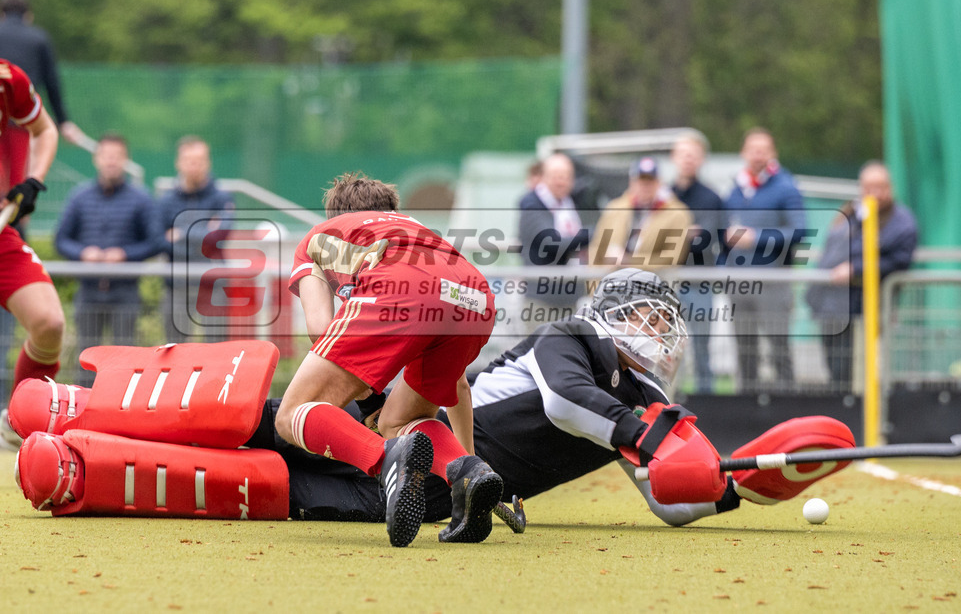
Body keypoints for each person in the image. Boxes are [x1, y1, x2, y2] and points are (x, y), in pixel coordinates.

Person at [11, 269, 856, 528]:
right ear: (611, 313)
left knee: (274, 492)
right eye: (645, 312)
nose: (658, 329)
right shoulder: (576, 345)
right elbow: (566, 406)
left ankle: (91, 473)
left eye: (664, 319)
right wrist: (648, 431)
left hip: (447, 487)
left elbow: (661, 496)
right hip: (408, 429)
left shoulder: (632, 400)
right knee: (257, 425)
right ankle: (82, 409)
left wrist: (724, 485)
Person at [273, 172, 502, 547]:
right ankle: (466, 474)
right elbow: (458, 384)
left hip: (401, 289)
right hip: (474, 296)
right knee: (401, 421)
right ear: (393, 211)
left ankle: (383, 461)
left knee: (293, 412)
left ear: (335, 213)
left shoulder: (322, 234)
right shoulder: (417, 232)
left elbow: (320, 330)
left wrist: (364, 392)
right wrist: (469, 467)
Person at [54, 134, 162, 386]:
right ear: (97, 159)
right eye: (107, 156)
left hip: (125, 292)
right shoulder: (79, 197)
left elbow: (155, 242)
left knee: (125, 361)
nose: (111, 162)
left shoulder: (141, 199)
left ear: (125, 160)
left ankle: (119, 419)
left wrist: (125, 254)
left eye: (117, 157)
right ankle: (82, 415)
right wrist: (82, 253)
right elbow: (61, 239)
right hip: (88, 291)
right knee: (86, 359)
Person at [806, 162, 918, 392]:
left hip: (869, 308)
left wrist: (856, 269)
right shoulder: (850, 213)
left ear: (890, 188)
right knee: (837, 367)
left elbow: (899, 261)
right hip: (832, 305)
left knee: (867, 370)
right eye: (869, 187)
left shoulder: (902, 222)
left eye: (880, 186)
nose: (874, 193)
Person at [0, 58, 64, 448]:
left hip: (1, 235)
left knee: (49, 322)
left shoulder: (9, 79)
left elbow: (44, 129)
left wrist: (33, 180)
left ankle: (17, 418)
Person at [722, 127, 807, 392]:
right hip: (739, 283)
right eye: (753, 149)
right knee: (744, 349)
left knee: (778, 347)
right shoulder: (736, 189)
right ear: (744, 153)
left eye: (764, 150)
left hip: (773, 281)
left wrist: (756, 237)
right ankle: (746, 406)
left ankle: (787, 406)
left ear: (773, 153)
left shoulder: (786, 187)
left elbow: (799, 230)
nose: (758, 155)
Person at [156, 135, 234, 343]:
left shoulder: (222, 198)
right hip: (177, 286)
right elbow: (158, 241)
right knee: (174, 352)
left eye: (199, 161)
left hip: (212, 286)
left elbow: (219, 236)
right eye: (189, 160)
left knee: (217, 353)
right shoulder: (166, 202)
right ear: (178, 162)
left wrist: (180, 235)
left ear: (207, 163)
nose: (194, 166)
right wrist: (203, 233)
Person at [0, 0, 92, 156]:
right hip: (22, 121)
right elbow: (52, 83)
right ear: (28, 16)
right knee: (18, 176)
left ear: (3, 14)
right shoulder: (39, 39)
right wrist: (63, 121)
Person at [671, 130, 727, 394]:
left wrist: (678, 234)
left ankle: (706, 401)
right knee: (668, 347)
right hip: (669, 284)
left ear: (702, 159)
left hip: (700, 283)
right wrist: (686, 232)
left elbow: (706, 238)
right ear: (674, 157)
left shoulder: (711, 198)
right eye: (683, 155)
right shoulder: (664, 196)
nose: (688, 160)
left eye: (693, 155)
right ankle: (669, 403)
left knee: (702, 347)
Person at [517, 153, 590, 325]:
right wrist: (590, 235)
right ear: (544, 177)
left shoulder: (572, 204)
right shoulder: (532, 204)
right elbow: (552, 244)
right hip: (542, 301)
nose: (561, 182)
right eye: (556, 176)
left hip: (571, 299)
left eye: (565, 177)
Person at [588, 156, 692, 270]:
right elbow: (596, 250)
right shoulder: (615, 209)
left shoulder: (676, 214)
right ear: (632, 182)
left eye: (650, 181)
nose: (645, 186)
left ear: (659, 183)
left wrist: (629, 261)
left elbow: (673, 257)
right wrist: (596, 285)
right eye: (641, 181)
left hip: (653, 284)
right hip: (613, 283)